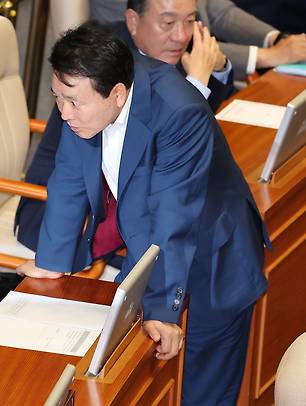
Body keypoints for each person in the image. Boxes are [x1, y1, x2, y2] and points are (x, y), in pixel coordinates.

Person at [17, 21, 270, 405]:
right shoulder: (83, 98)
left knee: (205, 386)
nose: (64, 113)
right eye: (58, 99)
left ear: (118, 95)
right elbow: (68, 178)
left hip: (214, 250)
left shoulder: (178, 111)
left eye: (74, 103)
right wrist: (53, 260)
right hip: (154, 238)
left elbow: (173, 217)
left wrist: (161, 309)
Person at [16, 0, 234, 252]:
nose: (181, 35)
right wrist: (196, 84)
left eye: (189, 21)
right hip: (66, 211)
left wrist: (217, 67)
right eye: (168, 23)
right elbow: (147, 160)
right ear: (133, 21)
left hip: (119, 198)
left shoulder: (169, 44)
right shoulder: (104, 63)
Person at [90, 0, 306, 80]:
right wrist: (266, 56)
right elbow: (173, 42)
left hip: (208, 86)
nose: (182, 33)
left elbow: (217, 9)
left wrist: (276, 39)